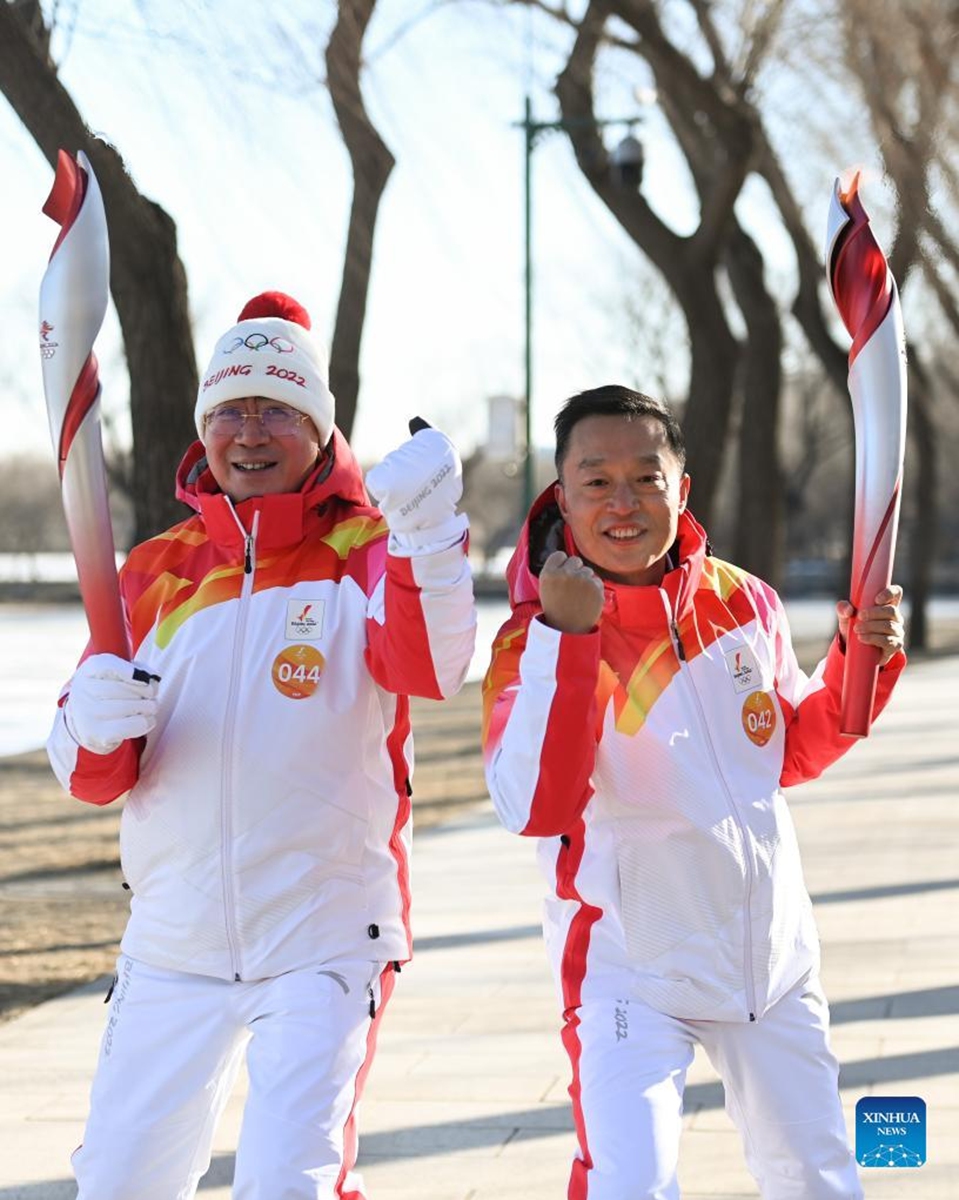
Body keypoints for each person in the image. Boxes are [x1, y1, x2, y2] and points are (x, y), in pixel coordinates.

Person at [47, 291, 476, 1200]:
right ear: (203, 428)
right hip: (172, 940)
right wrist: (84, 722)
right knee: (119, 1183)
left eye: (277, 407)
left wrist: (430, 539)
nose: (250, 430)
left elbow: (431, 664)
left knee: (289, 1183)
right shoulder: (154, 570)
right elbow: (94, 775)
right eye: (229, 409)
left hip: (323, 935)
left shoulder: (364, 547)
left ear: (319, 428)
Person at [481, 385, 905, 1200]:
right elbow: (533, 803)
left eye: (646, 476)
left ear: (682, 484)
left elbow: (784, 752)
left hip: (769, 963)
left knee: (816, 1177)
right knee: (630, 1184)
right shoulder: (527, 640)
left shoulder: (742, 600)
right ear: (560, 496)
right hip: (630, 973)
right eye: (595, 480)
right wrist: (567, 640)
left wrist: (860, 660)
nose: (623, 501)